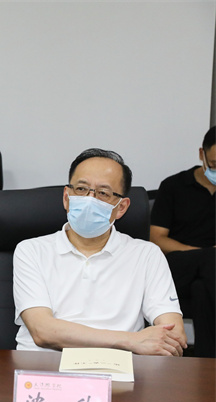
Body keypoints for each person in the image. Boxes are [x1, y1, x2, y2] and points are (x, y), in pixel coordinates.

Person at [13, 148, 186, 356]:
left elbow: (173, 335)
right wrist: (132, 341)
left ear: (121, 207)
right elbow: (43, 332)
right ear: (67, 197)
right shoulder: (31, 251)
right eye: (81, 189)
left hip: (119, 368)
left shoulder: (147, 255)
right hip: (44, 367)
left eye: (103, 193)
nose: (90, 199)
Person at [150, 126, 215, 357]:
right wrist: (203, 254)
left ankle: (207, 363)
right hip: (176, 269)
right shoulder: (174, 186)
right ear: (201, 154)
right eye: (214, 164)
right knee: (212, 259)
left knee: (202, 290)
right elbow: (157, 239)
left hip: (209, 278)